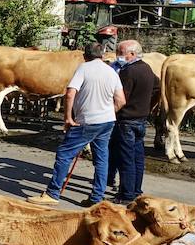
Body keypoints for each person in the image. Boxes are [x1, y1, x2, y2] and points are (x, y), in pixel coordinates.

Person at [28, 43, 126, 206]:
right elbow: (121, 100)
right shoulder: (111, 71)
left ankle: (52, 194)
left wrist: (68, 118)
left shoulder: (83, 69)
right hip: (107, 121)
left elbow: (70, 93)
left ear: (85, 56)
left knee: (64, 154)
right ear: (102, 55)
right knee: (101, 158)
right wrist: (108, 112)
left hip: (86, 121)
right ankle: (97, 198)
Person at [109, 40, 160, 203]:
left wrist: (110, 113)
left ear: (132, 54)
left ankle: (126, 194)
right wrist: (147, 106)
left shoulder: (128, 72)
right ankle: (136, 190)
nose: (118, 56)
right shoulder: (147, 68)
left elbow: (121, 97)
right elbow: (157, 88)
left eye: (121, 52)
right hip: (140, 120)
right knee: (138, 157)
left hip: (126, 121)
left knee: (126, 159)